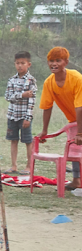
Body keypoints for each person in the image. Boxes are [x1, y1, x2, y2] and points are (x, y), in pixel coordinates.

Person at [37, 47, 82, 190]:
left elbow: (80, 107)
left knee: (78, 143)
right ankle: (76, 181)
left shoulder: (76, 78)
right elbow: (47, 106)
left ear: (66, 62)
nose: (54, 64)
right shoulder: (49, 82)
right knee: (74, 148)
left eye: (58, 60)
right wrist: (44, 130)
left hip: (79, 116)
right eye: (51, 61)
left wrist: (80, 132)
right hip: (75, 120)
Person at [5, 51, 38, 175]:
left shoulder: (31, 81)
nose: (20, 66)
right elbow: (8, 97)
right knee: (13, 140)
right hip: (12, 115)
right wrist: (22, 95)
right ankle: (13, 166)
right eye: (17, 63)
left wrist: (28, 117)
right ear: (14, 64)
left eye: (22, 63)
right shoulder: (11, 80)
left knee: (27, 141)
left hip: (24, 116)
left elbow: (31, 100)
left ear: (28, 64)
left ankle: (29, 166)